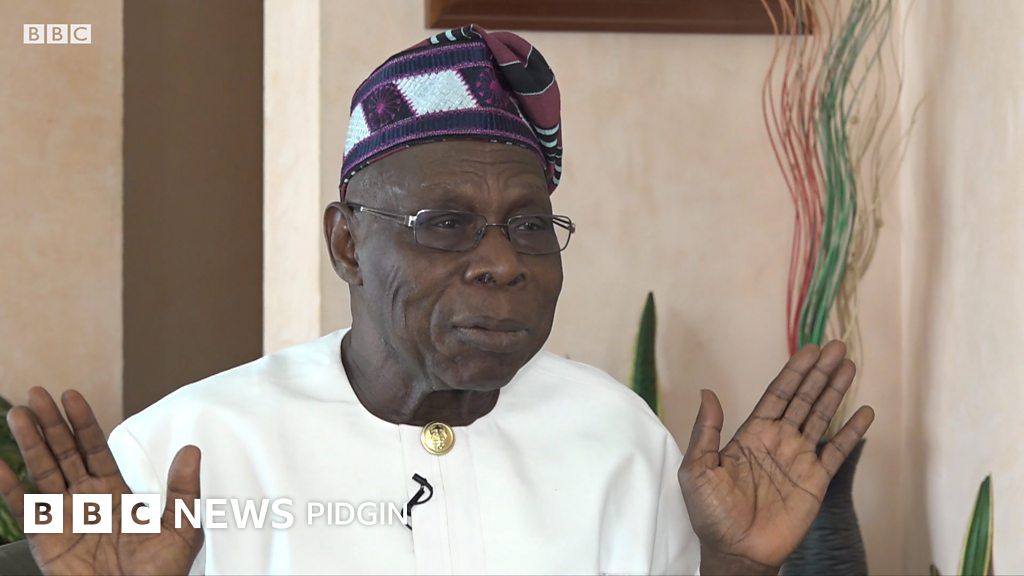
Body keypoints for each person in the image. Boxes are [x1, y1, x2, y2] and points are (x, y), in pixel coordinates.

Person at [0, 24, 874, 575]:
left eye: (530, 225)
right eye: (445, 224)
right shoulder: (175, 451)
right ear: (347, 243)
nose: (502, 263)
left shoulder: (618, 440)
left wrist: (735, 564)